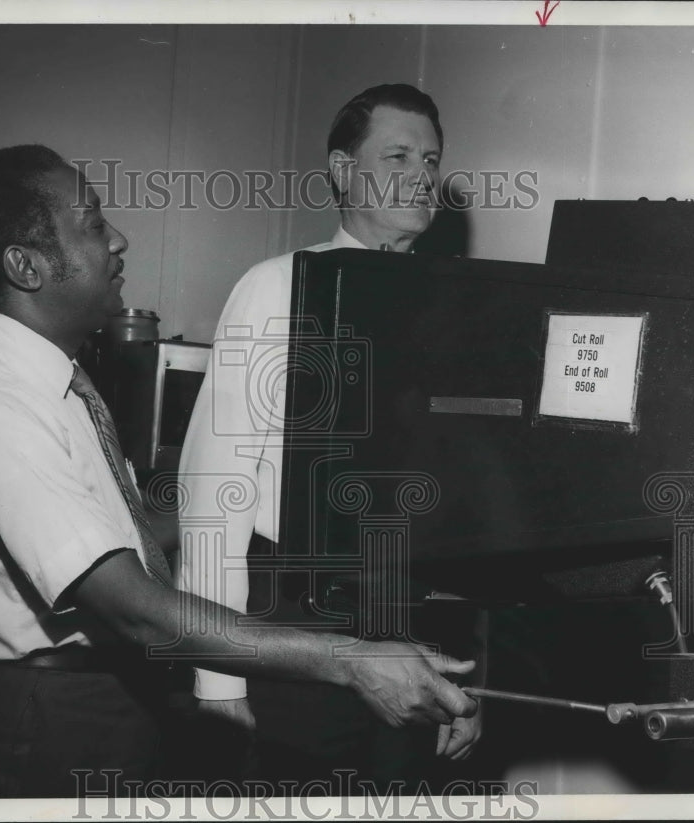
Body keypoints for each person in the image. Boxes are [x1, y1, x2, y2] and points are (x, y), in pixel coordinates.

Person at [0, 143, 478, 799]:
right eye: (92, 223)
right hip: (39, 723)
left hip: (95, 703)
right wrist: (350, 663)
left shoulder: (48, 382)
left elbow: (125, 530)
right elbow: (134, 610)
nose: (118, 238)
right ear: (26, 265)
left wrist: (251, 492)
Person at [178, 84, 483, 792]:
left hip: (414, 617)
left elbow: (469, 513)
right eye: (398, 154)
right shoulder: (278, 288)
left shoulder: (459, 309)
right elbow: (215, 493)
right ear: (343, 171)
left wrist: (470, 678)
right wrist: (219, 683)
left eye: (431, 159)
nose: (421, 174)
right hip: (295, 622)